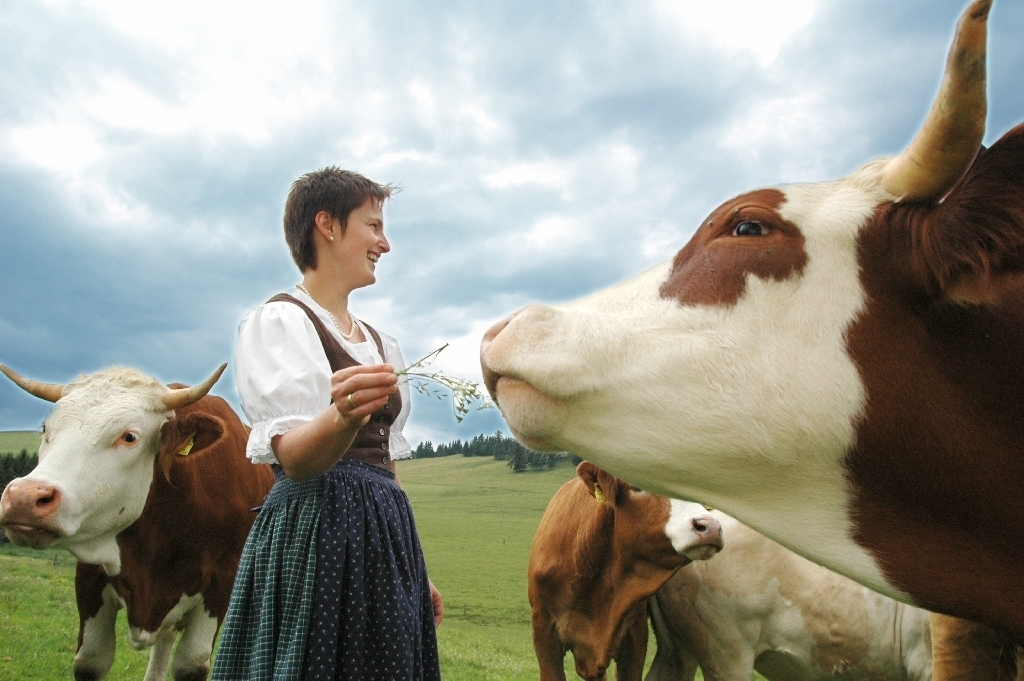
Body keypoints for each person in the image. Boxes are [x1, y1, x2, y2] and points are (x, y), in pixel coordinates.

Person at [212, 168, 443, 681]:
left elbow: (385, 467)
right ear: (328, 226)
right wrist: (341, 415)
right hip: (318, 529)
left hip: (384, 534)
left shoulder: (381, 342)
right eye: (374, 225)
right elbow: (296, 459)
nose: (385, 243)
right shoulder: (280, 322)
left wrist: (417, 567)